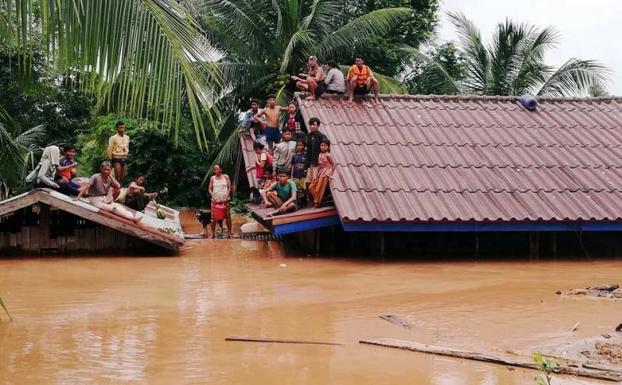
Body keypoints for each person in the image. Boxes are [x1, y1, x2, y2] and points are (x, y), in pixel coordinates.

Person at [76, 161, 142, 223]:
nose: (106, 171)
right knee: (114, 208)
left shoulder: (110, 178)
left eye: (108, 170)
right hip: (95, 199)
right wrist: (78, 197)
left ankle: (133, 217)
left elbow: (118, 186)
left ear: (110, 170)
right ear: (101, 169)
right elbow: (86, 187)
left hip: (104, 198)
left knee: (120, 207)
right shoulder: (95, 176)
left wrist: (110, 176)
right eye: (105, 169)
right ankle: (132, 219)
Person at [308, 139, 335, 208]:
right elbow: (319, 165)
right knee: (311, 187)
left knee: (321, 187)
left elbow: (333, 164)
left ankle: (317, 202)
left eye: (325, 146)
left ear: (328, 147)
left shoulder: (328, 155)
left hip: (326, 172)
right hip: (320, 172)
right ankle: (317, 200)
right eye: (321, 145)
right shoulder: (320, 154)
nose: (323, 147)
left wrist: (330, 173)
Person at [208, 164, 232, 238]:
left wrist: (226, 196)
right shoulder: (212, 178)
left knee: (228, 216)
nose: (216, 171)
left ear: (221, 169)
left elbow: (229, 188)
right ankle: (212, 233)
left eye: (217, 169)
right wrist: (213, 196)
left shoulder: (226, 177)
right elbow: (209, 189)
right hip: (215, 201)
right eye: (214, 169)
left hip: (225, 200)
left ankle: (229, 233)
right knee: (213, 218)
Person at [305, 117, 328, 191]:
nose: (312, 126)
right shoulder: (309, 135)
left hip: (317, 163)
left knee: (314, 182)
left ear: (318, 126)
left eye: (314, 125)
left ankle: (314, 200)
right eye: (310, 125)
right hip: (310, 162)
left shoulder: (321, 136)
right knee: (308, 181)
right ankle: (308, 199)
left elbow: (326, 148)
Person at [291, 140, 308, 206]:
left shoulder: (305, 155)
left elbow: (307, 165)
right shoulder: (294, 156)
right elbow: (292, 166)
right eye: (298, 145)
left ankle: (305, 201)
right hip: (296, 175)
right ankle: (300, 201)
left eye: (301, 145)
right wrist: (291, 175)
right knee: (298, 188)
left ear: (304, 146)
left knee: (304, 188)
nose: (299, 147)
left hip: (303, 175)